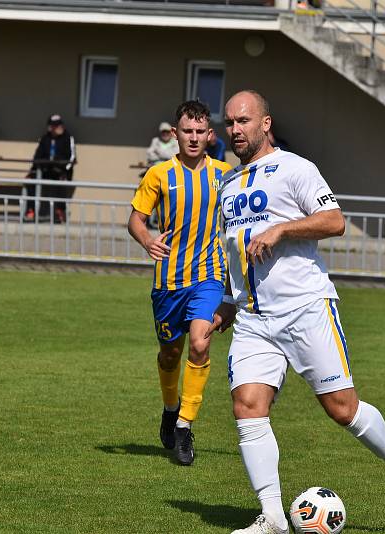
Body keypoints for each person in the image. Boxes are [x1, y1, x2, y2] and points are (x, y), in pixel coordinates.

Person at [209, 90, 385, 534]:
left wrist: (283, 229)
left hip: (305, 307)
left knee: (341, 409)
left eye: (244, 121)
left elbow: (334, 220)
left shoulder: (296, 168)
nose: (235, 130)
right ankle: (270, 517)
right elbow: (234, 251)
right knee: (247, 406)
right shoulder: (227, 184)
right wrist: (228, 304)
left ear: (265, 124)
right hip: (254, 318)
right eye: (230, 122)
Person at [127, 101, 232, 466]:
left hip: (209, 276)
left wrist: (234, 292)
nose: (193, 137)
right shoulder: (158, 174)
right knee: (171, 353)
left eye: (200, 131)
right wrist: (146, 240)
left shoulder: (226, 174)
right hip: (168, 282)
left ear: (210, 135)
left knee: (201, 343)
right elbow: (136, 220)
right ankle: (170, 408)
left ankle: (185, 426)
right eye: (187, 131)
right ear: (175, 134)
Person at [24, 114, 76, 223]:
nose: (59, 127)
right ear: (50, 127)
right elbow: (37, 156)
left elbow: (72, 158)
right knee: (30, 180)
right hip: (45, 170)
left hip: (61, 171)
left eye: (60, 125)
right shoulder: (45, 138)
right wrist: (33, 170)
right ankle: (31, 210)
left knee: (62, 182)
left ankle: (60, 211)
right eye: (56, 126)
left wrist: (64, 169)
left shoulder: (68, 138)